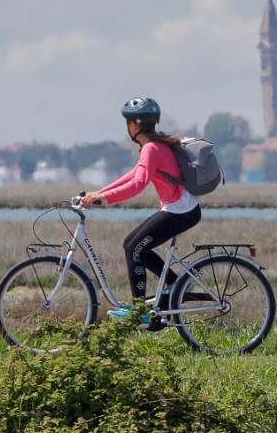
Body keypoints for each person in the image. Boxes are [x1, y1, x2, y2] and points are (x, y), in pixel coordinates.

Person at [82, 96, 199, 326]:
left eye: (128, 123)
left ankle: (139, 310)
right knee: (132, 245)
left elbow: (138, 184)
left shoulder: (151, 149)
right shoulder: (155, 146)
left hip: (180, 210)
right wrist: (98, 193)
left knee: (135, 247)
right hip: (181, 208)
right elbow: (132, 175)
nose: (127, 128)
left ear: (135, 125)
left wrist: (103, 198)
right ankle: (175, 284)